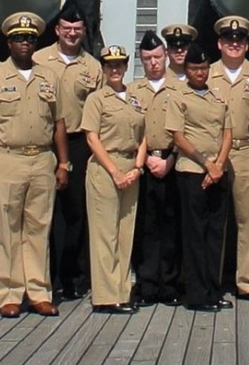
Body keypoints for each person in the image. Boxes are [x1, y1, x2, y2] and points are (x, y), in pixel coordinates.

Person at [0, 11, 69, 318]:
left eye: (29, 38)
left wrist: (64, 163)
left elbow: (59, 123)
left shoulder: (49, 77)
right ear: (9, 43)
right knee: (7, 231)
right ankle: (9, 292)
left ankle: (38, 291)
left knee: (39, 229)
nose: (24, 43)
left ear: (36, 42)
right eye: (18, 39)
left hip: (41, 160)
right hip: (6, 160)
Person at [33, 7, 103, 301]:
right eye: (67, 28)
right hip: (42, 145)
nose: (72, 33)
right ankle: (43, 276)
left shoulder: (93, 67)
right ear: (57, 30)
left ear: (84, 32)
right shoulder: (38, 60)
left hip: (78, 143)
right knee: (41, 215)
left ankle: (72, 275)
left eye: (77, 28)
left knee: (75, 214)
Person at [166, 44, 232, 311]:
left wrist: (217, 165)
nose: (199, 73)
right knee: (195, 235)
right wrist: (206, 163)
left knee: (216, 233)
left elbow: (227, 132)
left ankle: (213, 290)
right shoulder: (179, 96)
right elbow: (178, 137)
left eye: (203, 68)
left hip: (218, 172)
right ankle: (196, 295)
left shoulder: (218, 96)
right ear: (187, 70)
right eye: (194, 68)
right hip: (192, 172)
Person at [81, 45, 147, 314]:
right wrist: (115, 171)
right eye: (110, 65)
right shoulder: (97, 99)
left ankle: (122, 290)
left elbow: (143, 136)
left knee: (124, 233)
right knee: (105, 233)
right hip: (105, 167)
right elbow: (91, 137)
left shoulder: (134, 99)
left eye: (120, 64)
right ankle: (105, 297)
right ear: (104, 68)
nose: (116, 69)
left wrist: (138, 168)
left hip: (131, 167)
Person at [209, 16, 249, 301]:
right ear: (219, 43)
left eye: (240, 41)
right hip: (212, 154)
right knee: (213, 217)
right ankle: (212, 278)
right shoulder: (206, 76)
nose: (235, 45)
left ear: (246, 45)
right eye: (229, 41)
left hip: (247, 150)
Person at [129, 31, 183, 306]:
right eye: (147, 58)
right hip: (143, 163)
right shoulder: (132, 91)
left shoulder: (179, 87)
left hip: (172, 161)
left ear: (166, 56)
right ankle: (147, 283)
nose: (153, 63)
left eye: (158, 57)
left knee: (171, 225)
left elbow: (187, 129)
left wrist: (169, 159)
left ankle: (170, 284)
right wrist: (146, 159)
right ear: (141, 60)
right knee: (146, 226)